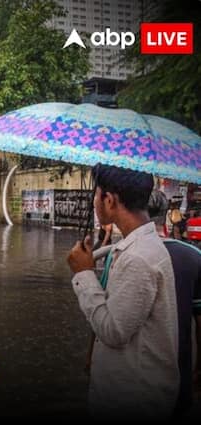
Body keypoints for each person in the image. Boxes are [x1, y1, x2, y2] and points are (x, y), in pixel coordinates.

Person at [67, 163, 179, 420]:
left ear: (110, 200)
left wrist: (83, 275)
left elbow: (114, 331)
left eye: (96, 194)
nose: (95, 202)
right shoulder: (138, 247)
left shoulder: (138, 258)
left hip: (133, 398)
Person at [146, 190, 201, 418]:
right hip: (179, 372)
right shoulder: (193, 256)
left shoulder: (119, 255)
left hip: (131, 378)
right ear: (168, 214)